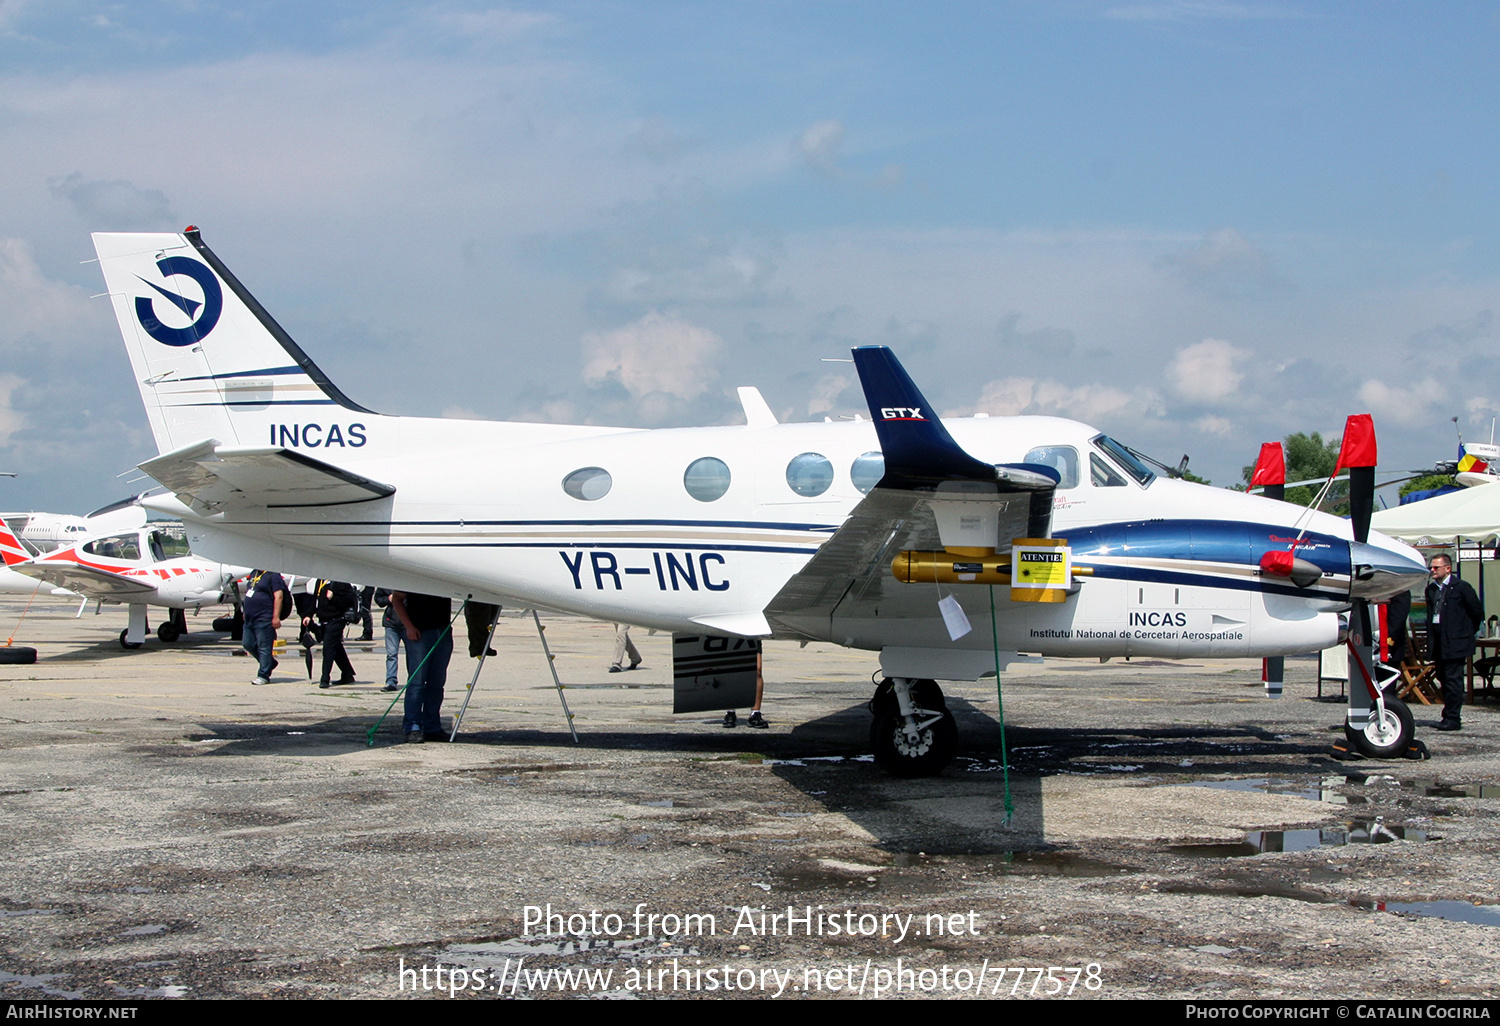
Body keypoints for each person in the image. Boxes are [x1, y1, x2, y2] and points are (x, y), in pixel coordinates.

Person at [1424, 554, 1483, 731]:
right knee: (1442, 677)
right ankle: (1448, 713)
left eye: (1436, 567)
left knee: (1453, 680)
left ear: (1447, 568)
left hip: (1457, 643)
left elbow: (1476, 612)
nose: (1433, 571)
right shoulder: (1432, 590)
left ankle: (1453, 718)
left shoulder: (1461, 588)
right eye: (1431, 568)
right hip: (1440, 642)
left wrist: (1465, 633)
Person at [391, 591, 454, 743]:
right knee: (417, 682)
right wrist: (409, 626)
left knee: (437, 683)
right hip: (420, 631)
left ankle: (432, 726)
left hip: (443, 630)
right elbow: (397, 599)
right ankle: (412, 726)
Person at [302, 578, 360, 689]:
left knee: (328, 648)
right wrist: (308, 615)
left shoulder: (339, 582)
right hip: (324, 620)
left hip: (336, 620)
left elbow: (349, 599)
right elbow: (315, 599)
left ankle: (325, 678)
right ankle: (347, 674)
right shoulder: (320, 581)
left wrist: (334, 597)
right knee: (336, 648)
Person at [241, 569, 290, 685]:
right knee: (247, 643)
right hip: (250, 617)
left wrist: (275, 617)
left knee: (264, 647)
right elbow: (250, 591)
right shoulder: (254, 573)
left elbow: (279, 596)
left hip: (264, 617)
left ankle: (263, 675)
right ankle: (269, 663)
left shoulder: (273, 575)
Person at [373, 588, 403, 693]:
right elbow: (378, 599)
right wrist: (388, 599)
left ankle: (414, 680)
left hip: (407, 623)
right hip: (391, 623)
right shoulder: (386, 584)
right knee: (391, 654)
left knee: (412, 654)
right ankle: (391, 680)